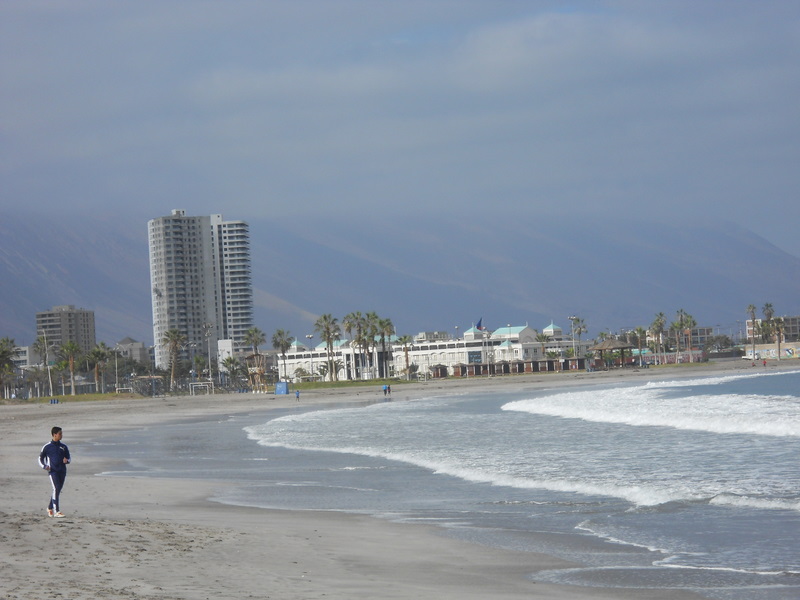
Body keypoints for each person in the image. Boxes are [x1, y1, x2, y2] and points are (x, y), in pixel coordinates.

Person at [39, 426, 71, 518]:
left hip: (62, 471)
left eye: (62, 433)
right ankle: (57, 511)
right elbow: (40, 458)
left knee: (57, 490)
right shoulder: (47, 447)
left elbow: (69, 458)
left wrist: (67, 461)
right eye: (60, 434)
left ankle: (49, 507)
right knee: (56, 488)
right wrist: (44, 466)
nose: (61, 435)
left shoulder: (63, 446)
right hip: (53, 471)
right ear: (54, 435)